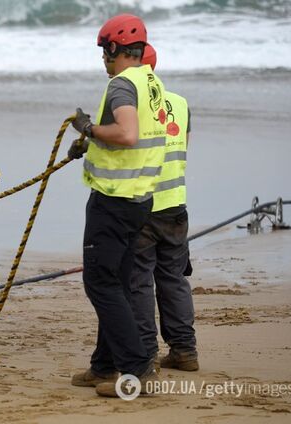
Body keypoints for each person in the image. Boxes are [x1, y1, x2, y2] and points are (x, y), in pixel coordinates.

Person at [68, 14, 167, 398]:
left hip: (114, 200)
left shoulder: (122, 85)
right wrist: (92, 141)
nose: (102, 60)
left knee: (101, 283)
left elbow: (127, 133)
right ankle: (104, 367)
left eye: (103, 51)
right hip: (140, 199)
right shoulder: (151, 82)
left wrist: (89, 130)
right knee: (118, 283)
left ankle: (136, 369)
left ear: (113, 48)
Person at [129, 44, 199, 371]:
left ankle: (145, 354)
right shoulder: (181, 104)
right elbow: (183, 146)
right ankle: (184, 351)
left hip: (143, 206)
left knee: (139, 282)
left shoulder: (130, 106)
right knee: (173, 279)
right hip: (176, 206)